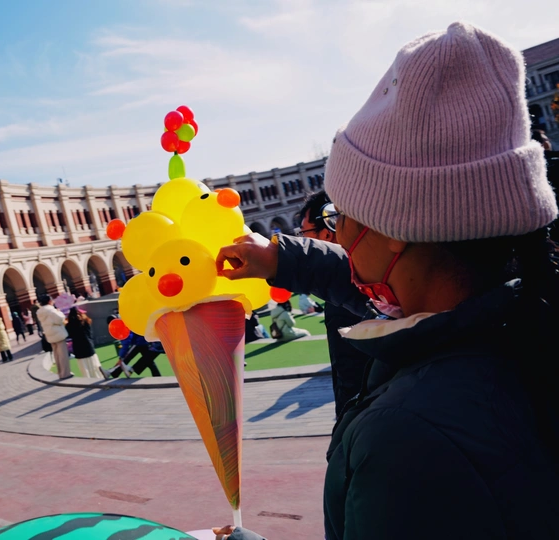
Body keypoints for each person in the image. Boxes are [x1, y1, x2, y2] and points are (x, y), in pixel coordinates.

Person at [212, 22, 559, 540]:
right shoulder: (522, 319)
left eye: (340, 215)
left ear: (394, 230)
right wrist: (281, 257)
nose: (337, 234)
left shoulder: (407, 436)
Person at [296, 190, 372, 418]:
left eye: (304, 233)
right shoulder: (370, 274)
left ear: (327, 233)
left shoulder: (343, 293)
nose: (302, 240)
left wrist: (345, 422)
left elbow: (350, 373)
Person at [65, 308, 110, 379]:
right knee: (95, 367)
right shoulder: (86, 321)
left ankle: (88, 382)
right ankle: (100, 379)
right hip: (89, 346)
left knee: (84, 370)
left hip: (78, 349)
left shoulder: (69, 326)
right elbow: (90, 334)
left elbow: (69, 335)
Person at [35, 294, 71, 379]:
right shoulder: (51, 310)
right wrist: (59, 311)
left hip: (49, 334)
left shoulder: (40, 312)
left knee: (56, 355)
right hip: (58, 333)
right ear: (49, 301)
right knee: (63, 355)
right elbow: (60, 319)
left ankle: (60, 373)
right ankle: (65, 373)